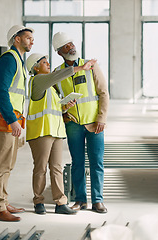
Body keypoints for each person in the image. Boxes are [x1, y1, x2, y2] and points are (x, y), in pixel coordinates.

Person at [25, 53, 97, 215]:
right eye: (44, 62)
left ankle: (60, 203)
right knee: (40, 168)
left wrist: (65, 107)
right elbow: (58, 75)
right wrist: (80, 68)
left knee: (56, 167)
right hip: (41, 132)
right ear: (35, 68)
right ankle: (39, 202)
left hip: (56, 131)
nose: (48, 64)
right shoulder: (37, 81)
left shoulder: (50, 88)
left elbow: (53, 108)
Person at [52, 32, 109, 213]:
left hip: (94, 123)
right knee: (77, 163)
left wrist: (102, 118)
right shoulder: (58, 74)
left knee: (96, 162)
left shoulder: (91, 66)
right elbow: (54, 101)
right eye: (66, 46)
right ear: (59, 52)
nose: (71, 47)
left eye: (71, 44)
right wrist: (63, 112)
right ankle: (81, 200)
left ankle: (97, 200)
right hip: (73, 124)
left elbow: (103, 93)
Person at [0, 25, 34, 222]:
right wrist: (13, 120)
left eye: (32, 38)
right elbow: (1, 92)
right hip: (3, 117)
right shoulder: (8, 60)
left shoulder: (18, 62)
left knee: (8, 164)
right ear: (17, 40)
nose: (32, 41)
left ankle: (3, 202)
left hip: (10, 117)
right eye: (28, 37)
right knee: (0, 164)